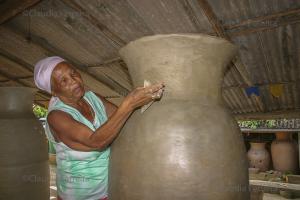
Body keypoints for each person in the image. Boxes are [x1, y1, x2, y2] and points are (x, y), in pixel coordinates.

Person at [34, 56, 164, 200]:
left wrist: (147, 104)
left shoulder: (92, 98)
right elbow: (96, 141)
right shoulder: (56, 117)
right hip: (80, 194)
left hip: (109, 188)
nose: (74, 81)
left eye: (73, 73)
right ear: (53, 91)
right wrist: (130, 104)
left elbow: (122, 121)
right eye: (64, 81)